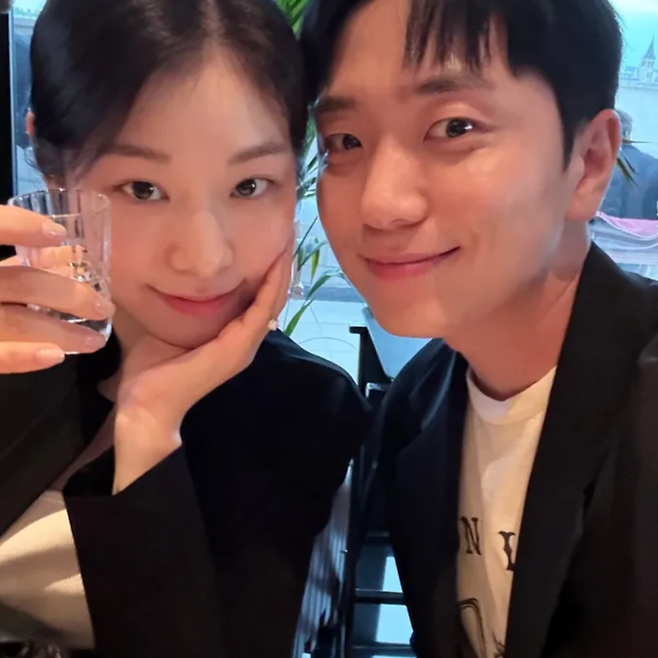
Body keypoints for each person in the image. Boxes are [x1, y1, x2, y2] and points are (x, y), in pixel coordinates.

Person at [0, 0, 368, 656]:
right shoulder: (16, 349)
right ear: (54, 168)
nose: (204, 259)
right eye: (143, 189)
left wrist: (149, 424)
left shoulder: (300, 413)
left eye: (250, 185)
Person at [302, 0, 658, 656]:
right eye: (344, 142)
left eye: (454, 127)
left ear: (588, 162)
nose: (381, 204)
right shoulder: (415, 413)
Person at [600, 110, 658, 221]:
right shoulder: (652, 165)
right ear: (628, 133)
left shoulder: (588, 162)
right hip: (641, 230)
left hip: (597, 229)